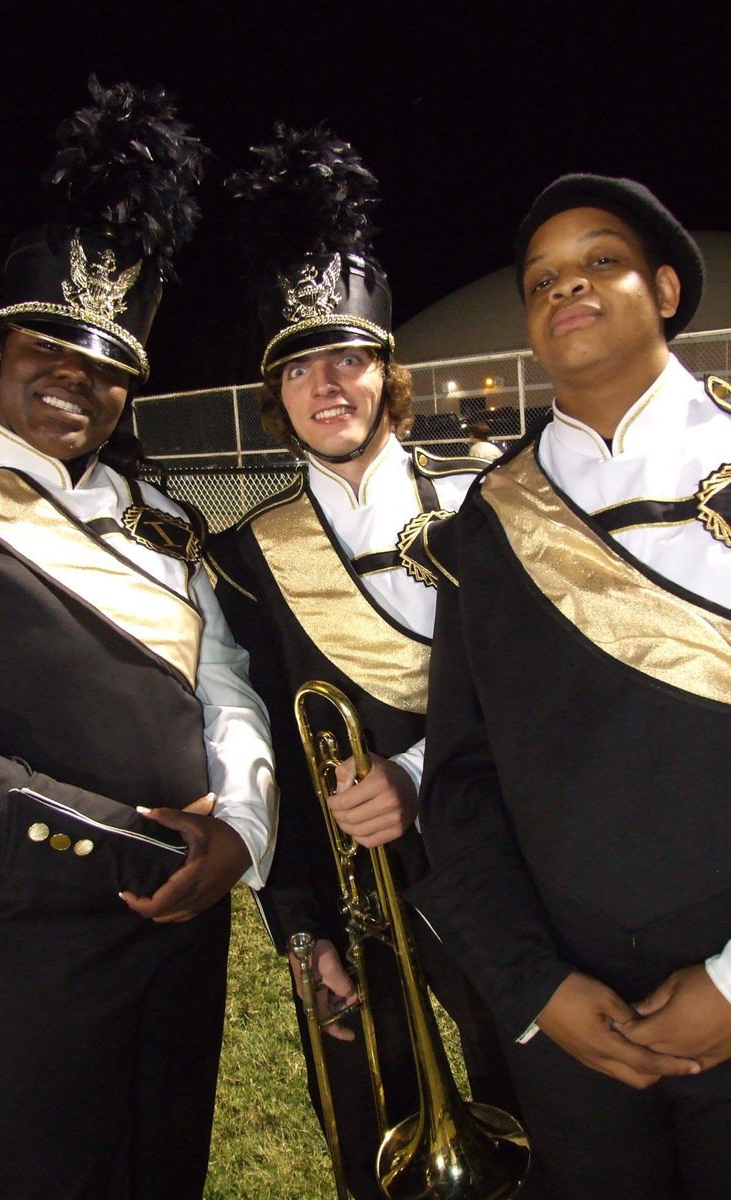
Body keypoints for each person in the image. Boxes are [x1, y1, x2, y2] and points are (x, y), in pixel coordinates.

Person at [0, 79, 276, 1200]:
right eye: (50, 348)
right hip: (22, 948)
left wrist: (238, 828)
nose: (76, 379)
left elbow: (222, 684)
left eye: (108, 364)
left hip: (184, 935)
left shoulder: (164, 518)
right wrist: (149, 849)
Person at [209, 127, 525, 1199]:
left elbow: (549, 695)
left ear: (386, 370)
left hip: (513, 867)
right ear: (276, 393)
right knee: (374, 1142)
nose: (323, 384)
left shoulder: (489, 498)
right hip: (355, 903)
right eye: (296, 366)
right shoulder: (248, 556)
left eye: (346, 357)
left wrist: (418, 776)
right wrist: (298, 926)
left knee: (551, 1111)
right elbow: (262, 746)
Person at [415, 173, 731, 1199]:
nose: (567, 288)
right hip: (565, 1013)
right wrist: (532, 985)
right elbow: (459, 781)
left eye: (600, 260)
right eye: (541, 279)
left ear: (666, 291)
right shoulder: (485, 521)